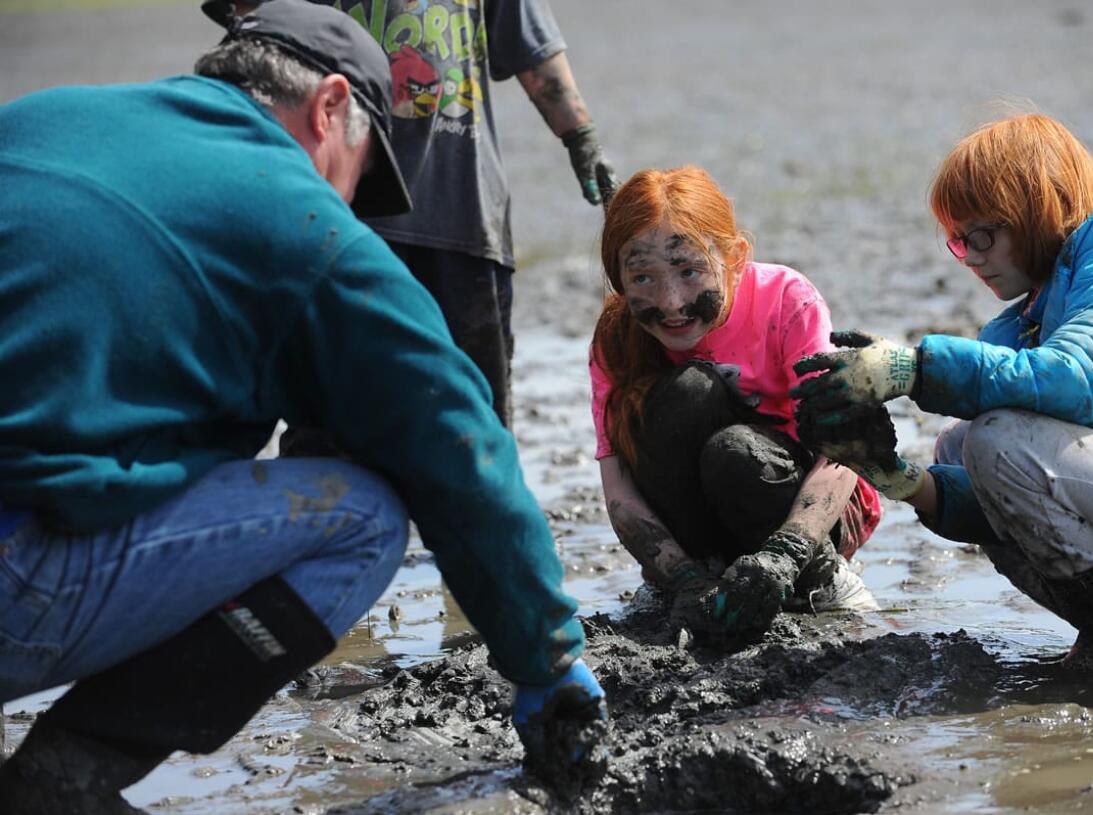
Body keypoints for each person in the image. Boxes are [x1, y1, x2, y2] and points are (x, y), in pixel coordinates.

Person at [0, 2, 604, 812]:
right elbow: (459, 443)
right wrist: (548, 654)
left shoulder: (47, 115)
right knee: (361, 516)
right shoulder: (303, 224)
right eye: (362, 169)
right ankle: (66, 774)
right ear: (328, 108)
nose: (354, 204)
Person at [793, 112, 1093, 671]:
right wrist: (900, 479)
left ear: (1039, 206)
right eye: (957, 241)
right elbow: (1011, 503)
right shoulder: (1014, 326)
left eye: (982, 235)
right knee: (960, 444)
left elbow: (1083, 378)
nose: (970, 257)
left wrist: (913, 369)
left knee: (996, 436)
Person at [232, 0, 618, 428]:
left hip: (462, 209)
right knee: (330, 415)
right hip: (339, 216)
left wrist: (582, 141)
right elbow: (258, 33)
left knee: (471, 409)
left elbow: (535, 53)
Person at [589, 166, 882, 638]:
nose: (671, 303)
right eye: (642, 277)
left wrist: (787, 551)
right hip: (698, 531)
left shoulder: (787, 300)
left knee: (734, 452)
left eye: (689, 270)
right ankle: (697, 574)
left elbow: (843, 451)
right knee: (689, 391)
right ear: (619, 280)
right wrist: (680, 577)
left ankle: (819, 581)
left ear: (735, 257)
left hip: (803, 508)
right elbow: (618, 486)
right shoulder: (615, 339)